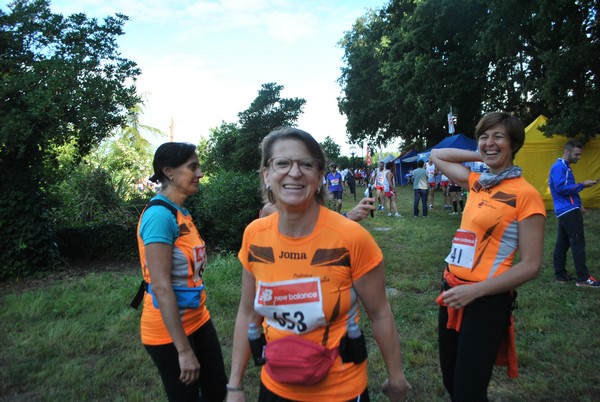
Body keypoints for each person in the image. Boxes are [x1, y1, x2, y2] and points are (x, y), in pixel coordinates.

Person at [227, 127, 411, 402]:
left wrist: (396, 377)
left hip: (340, 391)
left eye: (306, 164)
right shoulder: (254, 234)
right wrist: (235, 386)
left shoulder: (351, 237)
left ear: (320, 176)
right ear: (266, 174)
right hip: (275, 387)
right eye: (282, 163)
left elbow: (380, 313)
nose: (295, 172)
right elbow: (247, 312)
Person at [430, 112, 546, 401]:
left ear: (514, 143)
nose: (489, 142)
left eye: (498, 137)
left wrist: (475, 291)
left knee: (469, 391)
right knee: (452, 382)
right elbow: (436, 155)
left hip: (485, 300)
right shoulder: (477, 182)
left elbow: (531, 265)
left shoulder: (526, 195)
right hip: (452, 292)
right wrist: (483, 153)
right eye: (484, 136)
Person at [133, 142, 228, 401]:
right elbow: (161, 286)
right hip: (168, 332)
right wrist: (183, 351)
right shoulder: (159, 216)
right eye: (192, 167)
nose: (199, 173)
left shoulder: (180, 213)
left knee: (217, 390)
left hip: (198, 318)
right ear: (169, 171)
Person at [548, 140, 600, 287]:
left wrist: (579, 204)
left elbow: (567, 190)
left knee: (562, 244)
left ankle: (561, 276)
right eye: (576, 154)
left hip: (567, 209)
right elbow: (561, 188)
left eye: (579, 155)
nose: (578, 157)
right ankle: (583, 279)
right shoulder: (560, 167)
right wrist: (583, 184)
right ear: (567, 152)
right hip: (568, 211)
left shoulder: (564, 167)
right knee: (577, 243)